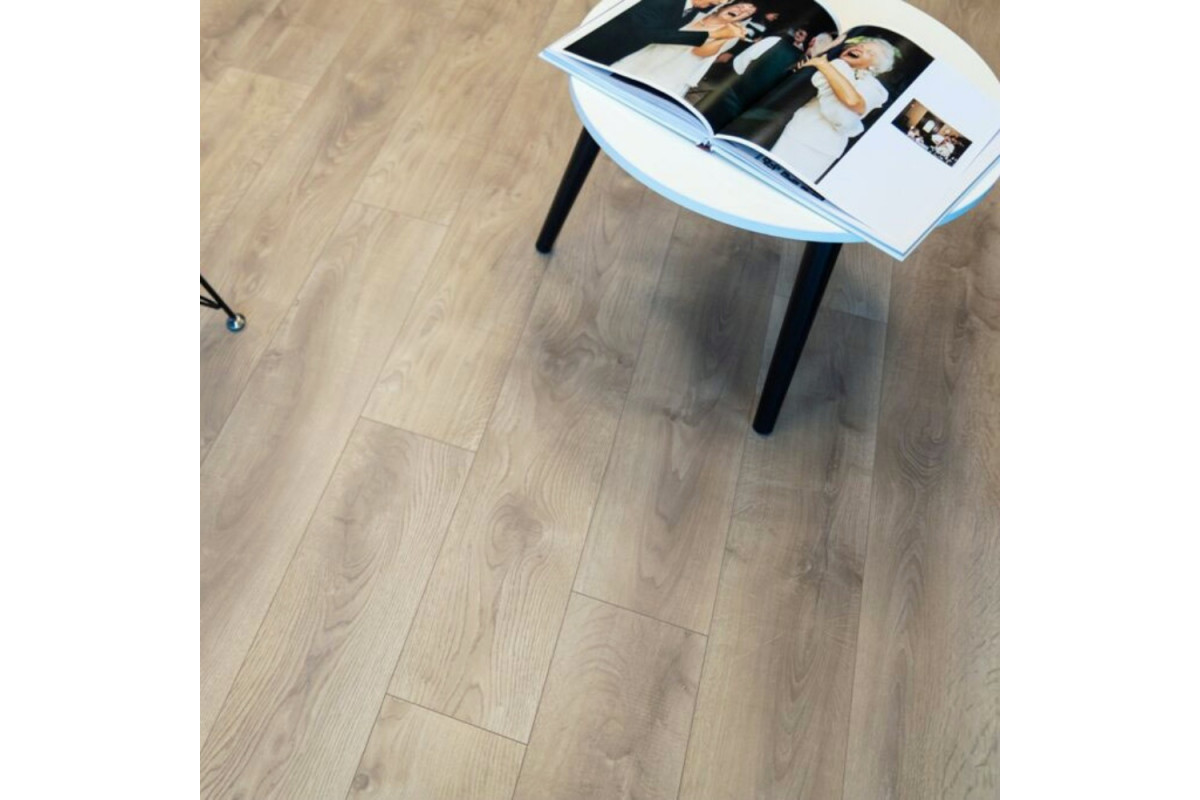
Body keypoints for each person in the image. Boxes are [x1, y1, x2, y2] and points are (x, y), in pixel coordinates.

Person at [769, 36, 898, 179]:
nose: (860, 48)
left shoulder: (874, 88)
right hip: (796, 132)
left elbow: (852, 105)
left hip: (823, 148)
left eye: (870, 52)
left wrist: (825, 66)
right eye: (861, 45)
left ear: (873, 67)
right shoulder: (833, 65)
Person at [611, 3, 757, 97]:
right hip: (648, 56)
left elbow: (699, 52)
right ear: (723, 6)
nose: (742, 11)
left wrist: (726, 36)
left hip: (672, 71)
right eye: (740, 7)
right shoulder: (695, 14)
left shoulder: (731, 35)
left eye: (746, 13)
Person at [566, 0, 729, 66]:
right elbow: (649, 33)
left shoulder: (694, 9)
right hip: (595, 44)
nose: (719, 2)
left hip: (614, 54)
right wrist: (709, 35)